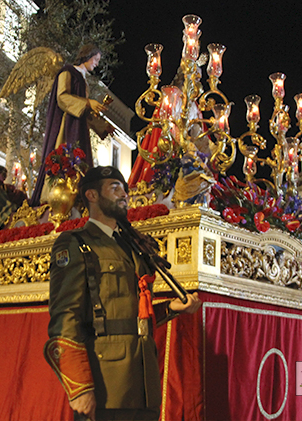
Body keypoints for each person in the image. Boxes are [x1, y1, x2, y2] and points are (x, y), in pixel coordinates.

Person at [44, 166, 201, 421]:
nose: (124, 194)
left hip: (143, 383)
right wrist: (80, 388)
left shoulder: (133, 246)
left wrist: (171, 309)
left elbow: (131, 317)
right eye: (115, 187)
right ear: (92, 195)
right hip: (106, 382)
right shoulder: (75, 243)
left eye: (125, 189)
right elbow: (65, 318)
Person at [30, 44, 110, 206]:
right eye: (95, 59)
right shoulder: (68, 72)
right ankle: (56, 195)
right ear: (87, 56)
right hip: (66, 127)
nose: (96, 64)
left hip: (78, 127)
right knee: (65, 156)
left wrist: (103, 126)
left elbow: (84, 112)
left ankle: (78, 197)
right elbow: (62, 97)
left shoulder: (83, 78)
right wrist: (88, 102)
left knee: (80, 160)